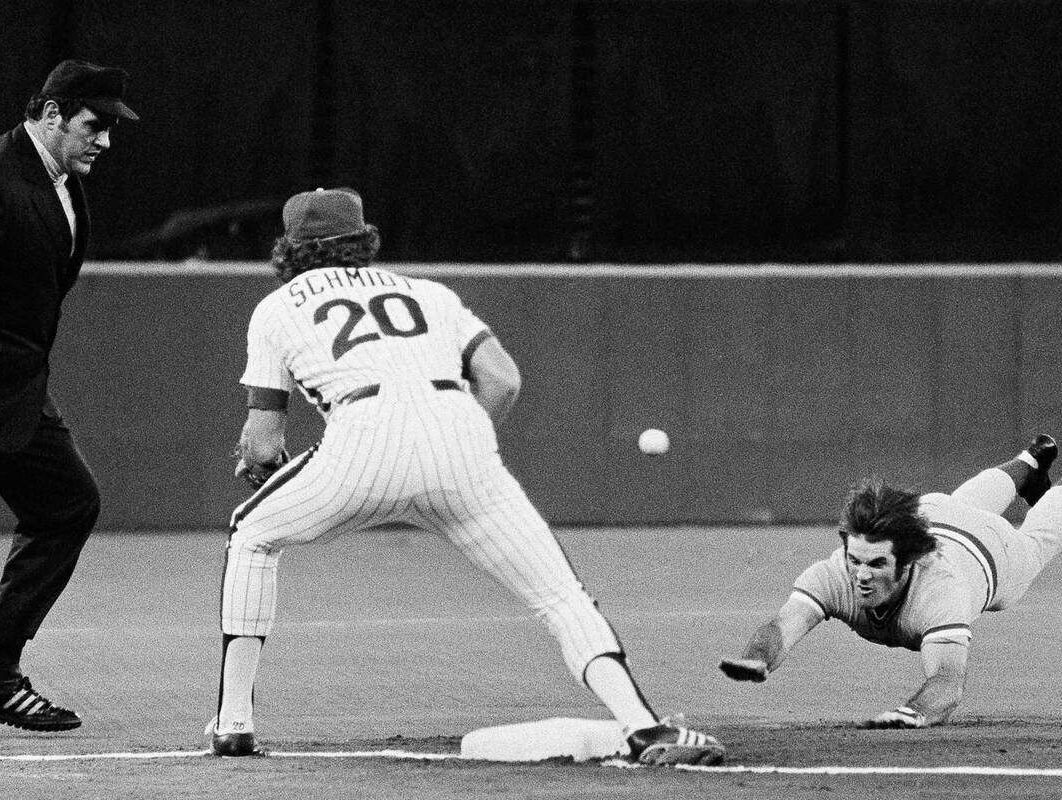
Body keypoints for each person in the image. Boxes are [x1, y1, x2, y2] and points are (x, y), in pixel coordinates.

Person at [209, 187, 725, 765]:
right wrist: (454, 449)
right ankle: (643, 728)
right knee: (560, 596)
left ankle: (233, 723)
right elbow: (502, 380)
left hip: (361, 434)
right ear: (364, 242)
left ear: (288, 250)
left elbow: (263, 439)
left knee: (251, 535)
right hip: (459, 429)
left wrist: (261, 469)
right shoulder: (427, 293)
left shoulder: (277, 307)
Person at [720, 430, 1062, 728]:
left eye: (875, 565)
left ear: (907, 563)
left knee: (1039, 540)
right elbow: (782, 626)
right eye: (854, 560)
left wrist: (912, 712)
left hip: (992, 548)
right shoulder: (835, 572)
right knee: (956, 503)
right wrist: (757, 659)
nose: (861, 575)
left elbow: (947, 681)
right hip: (934, 513)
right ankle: (1031, 459)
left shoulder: (941, 593)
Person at [0, 59, 139, 732]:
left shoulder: (62, 182)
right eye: (93, 124)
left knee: (67, 505)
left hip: (16, 390)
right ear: (51, 114)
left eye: (111, 127)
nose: (105, 140)